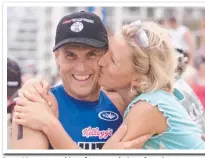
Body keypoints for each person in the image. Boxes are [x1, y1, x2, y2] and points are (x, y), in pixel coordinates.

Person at [14, 21, 205, 149]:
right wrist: (31, 85)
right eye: (70, 55)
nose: (100, 63)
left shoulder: (146, 106)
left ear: (138, 79)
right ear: (56, 57)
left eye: (94, 54)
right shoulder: (40, 102)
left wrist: (49, 125)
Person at [11, 11, 149, 150]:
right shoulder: (37, 104)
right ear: (57, 57)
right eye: (70, 55)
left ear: (105, 55)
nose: (81, 68)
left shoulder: (123, 103)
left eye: (91, 54)